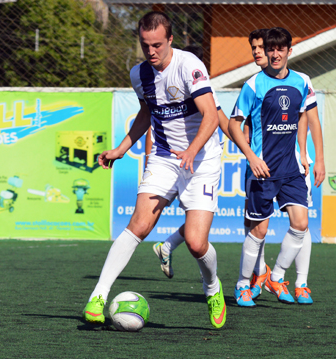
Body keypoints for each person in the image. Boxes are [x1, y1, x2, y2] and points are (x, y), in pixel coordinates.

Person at [82, 11, 227, 329]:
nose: (151, 52)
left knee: (195, 243)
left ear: (170, 40)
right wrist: (121, 149)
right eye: (145, 45)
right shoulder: (139, 74)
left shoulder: (190, 66)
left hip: (201, 160)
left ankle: (213, 288)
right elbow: (146, 112)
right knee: (139, 225)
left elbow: (211, 116)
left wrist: (191, 150)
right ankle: (98, 296)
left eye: (158, 45)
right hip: (163, 158)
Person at [228, 27, 316, 308]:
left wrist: (303, 153)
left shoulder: (302, 81)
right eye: (270, 49)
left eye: (280, 49)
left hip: (290, 168)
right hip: (263, 169)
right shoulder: (253, 85)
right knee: (259, 231)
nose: (275, 54)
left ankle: (276, 276)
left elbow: (302, 116)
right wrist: (251, 157)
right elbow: (234, 124)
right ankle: (243, 285)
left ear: (290, 51)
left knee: (301, 224)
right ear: (266, 51)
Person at [150, 44, 233, 280]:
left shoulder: (202, 87)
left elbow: (219, 118)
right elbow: (150, 125)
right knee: (197, 228)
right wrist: (150, 160)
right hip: (179, 160)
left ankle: (167, 246)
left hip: (202, 160)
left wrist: (245, 146)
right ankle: (249, 277)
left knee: (197, 227)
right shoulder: (165, 84)